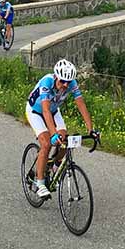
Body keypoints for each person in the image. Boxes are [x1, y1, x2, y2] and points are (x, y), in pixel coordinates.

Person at [26, 59, 99, 198]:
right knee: (46, 143)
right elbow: (45, 111)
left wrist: (91, 129)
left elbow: (81, 105)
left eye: (68, 82)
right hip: (36, 111)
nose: (65, 85)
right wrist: (53, 134)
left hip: (53, 111)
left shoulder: (71, 83)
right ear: (56, 77)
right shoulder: (46, 82)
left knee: (66, 140)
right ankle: (40, 183)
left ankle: (54, 165)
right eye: (62, 81)